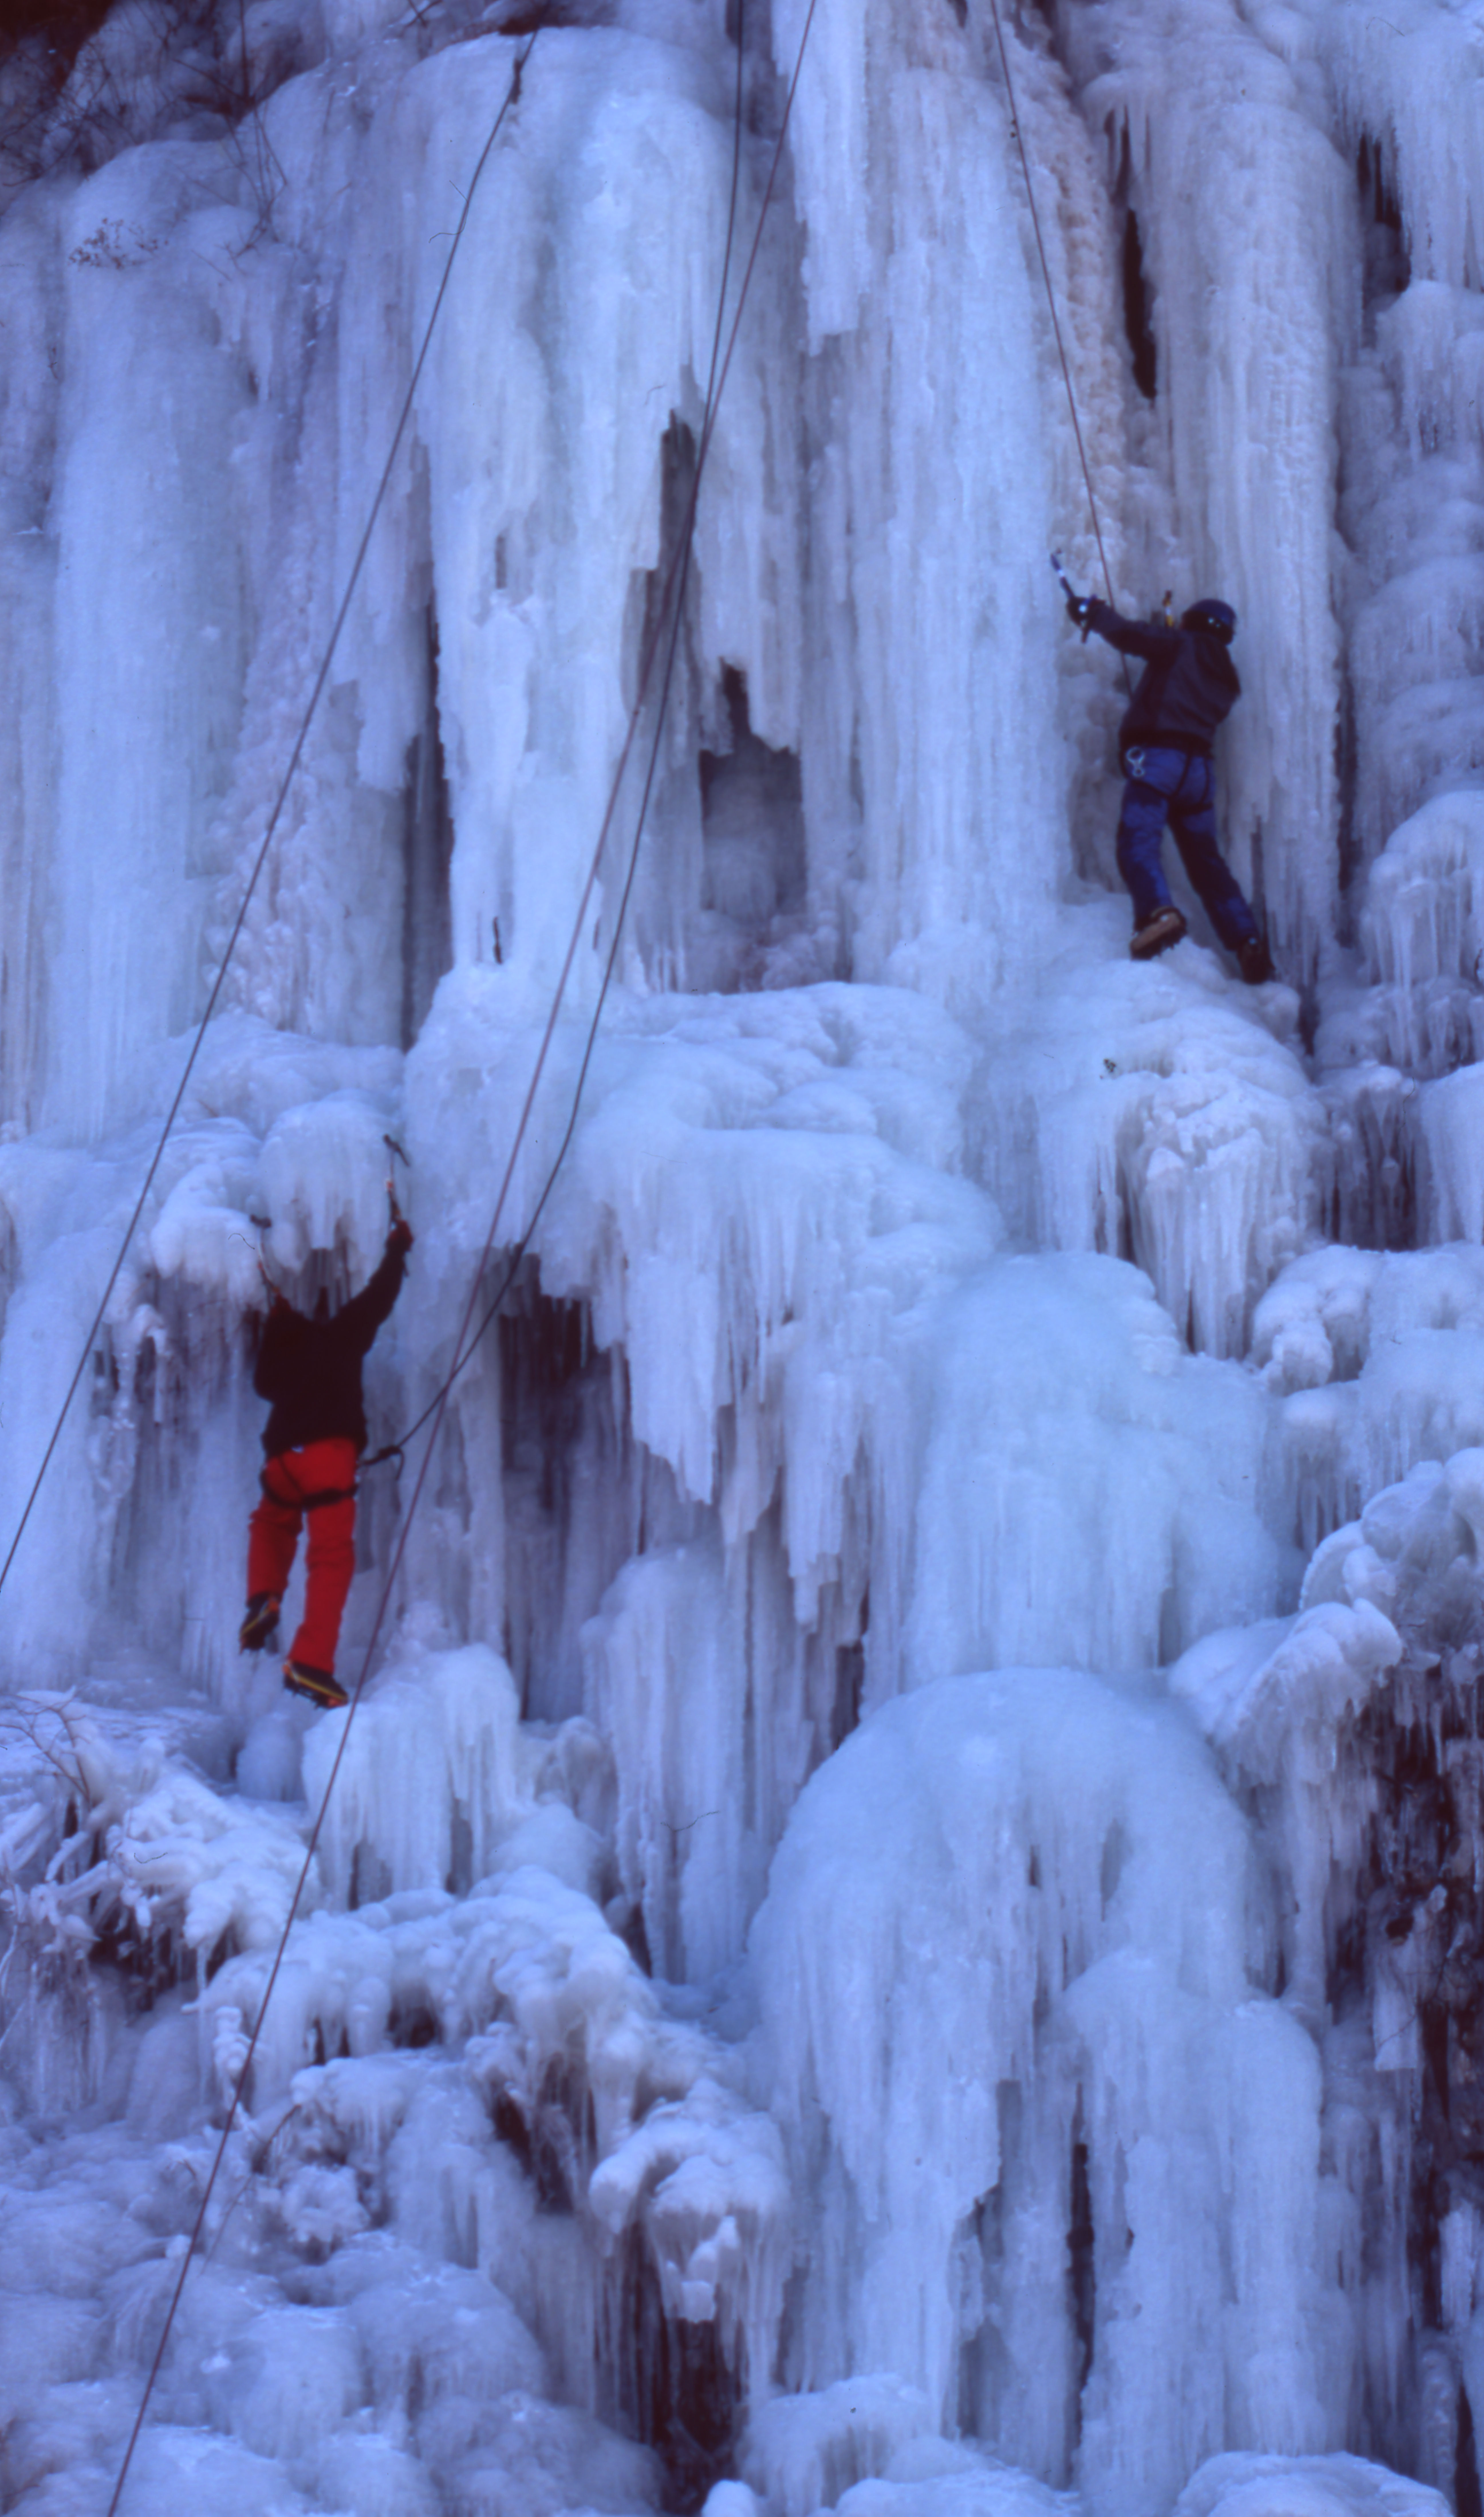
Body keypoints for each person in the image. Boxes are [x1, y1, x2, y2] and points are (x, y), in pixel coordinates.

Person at [239, 1215, 413, 1709]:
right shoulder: (339, 1337)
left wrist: (276, 1314)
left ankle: (263, 1598)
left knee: (272, 1522)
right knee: (330, 1555)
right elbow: (377, 1299)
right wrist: (398, 1250)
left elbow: (270, 1366)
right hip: (326, 1458)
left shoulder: (280, 1357)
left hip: (281, 1460)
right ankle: (311, 1661)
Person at [1066, 585, 1275, 981]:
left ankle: (1158, 914)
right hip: (1199, 775)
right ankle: (1247, 940)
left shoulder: (1181, 645)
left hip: (1160, 760)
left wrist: (1092, 612)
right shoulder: (1227, 678)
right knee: (1207, 865)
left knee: (1138, 841)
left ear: (1194, 623)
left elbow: (1131, 636)